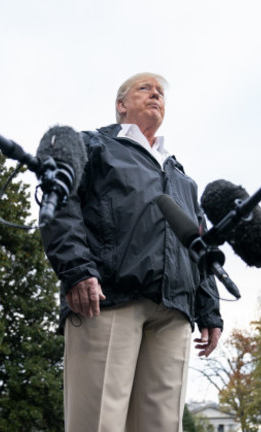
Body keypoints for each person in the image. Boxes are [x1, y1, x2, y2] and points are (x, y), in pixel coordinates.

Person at [40, 72, 223, 432]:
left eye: (160, 93)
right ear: (122, 105)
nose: (155, 94)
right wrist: (76, 268)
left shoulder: (182, 177)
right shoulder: (91, 144)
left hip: (174, 311)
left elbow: (199, 243)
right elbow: (60, 201)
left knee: (162, 425)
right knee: (98, 423)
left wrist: (209, 310)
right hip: (107, 296)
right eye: (145, 89)